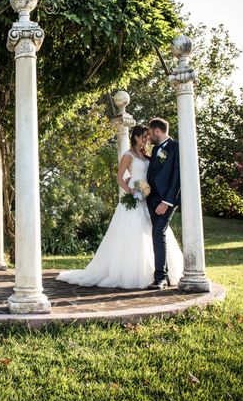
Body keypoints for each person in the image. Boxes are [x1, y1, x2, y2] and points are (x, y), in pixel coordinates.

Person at [56, 124, 183, 289]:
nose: (147, 139)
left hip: (149, 201)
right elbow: (119, 177)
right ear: (136, 137)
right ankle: (133, 273)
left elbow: (154, 175)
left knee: (155, 234)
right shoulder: (128, 155)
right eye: (144, 136)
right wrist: (130, 190)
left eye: (148, 135)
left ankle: (159, 273)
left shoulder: (148, 155)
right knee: (134, 235)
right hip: (134, 200)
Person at [146, 117, 182, 289]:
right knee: (158, 235)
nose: (149, 135)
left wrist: (167, 202)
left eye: (150, 132)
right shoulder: (155, 150)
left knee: (158, 232)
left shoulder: (175, 147)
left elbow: (176, 176)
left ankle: (160, 278)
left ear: (157, 131)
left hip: (165, 200)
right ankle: (164, 275)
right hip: (151, 199)